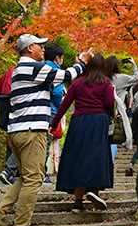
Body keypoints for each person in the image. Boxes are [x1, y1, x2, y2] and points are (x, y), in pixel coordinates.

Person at [0, 34, 91, 226]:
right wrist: (83, 62)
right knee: (34, 178)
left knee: (25, 177)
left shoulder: (21, 70)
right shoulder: (32, 67)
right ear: (29, 48)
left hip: (17, 130)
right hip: (32, 131)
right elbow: (66, 76)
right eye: (40, 45)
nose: (43, 48)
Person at [49, 54, 115, 213]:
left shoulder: (77, 83)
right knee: (96, 155)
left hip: (79, 122)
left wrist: (54, 123)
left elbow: (65, 104)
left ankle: (78, 202)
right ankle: (94, 191)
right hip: (99, 121)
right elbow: (109, 103)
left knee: (79, 157)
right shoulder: (105, 84)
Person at [105, 56, 138, 159]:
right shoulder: (121, 78)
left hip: (103, 110)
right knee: (113, 137)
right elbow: (136, 78)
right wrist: (134, 64)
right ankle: (112, 161)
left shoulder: (102, 78)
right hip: (117, 111)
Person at [43, 45, 65, 183]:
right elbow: (57, 93)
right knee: (45, 143)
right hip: (51, 111)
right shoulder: (57, 71)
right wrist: (59, 107)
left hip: (38, 110)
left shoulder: (40, 67)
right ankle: (42, 173)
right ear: (57, 58)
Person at [0, 66, 18, 186]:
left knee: (11, 135)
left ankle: (11, 170)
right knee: (17, 137)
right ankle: (10, 170)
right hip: (14, 102)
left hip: (4, 101)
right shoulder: (25, 70)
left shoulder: (10, 70)